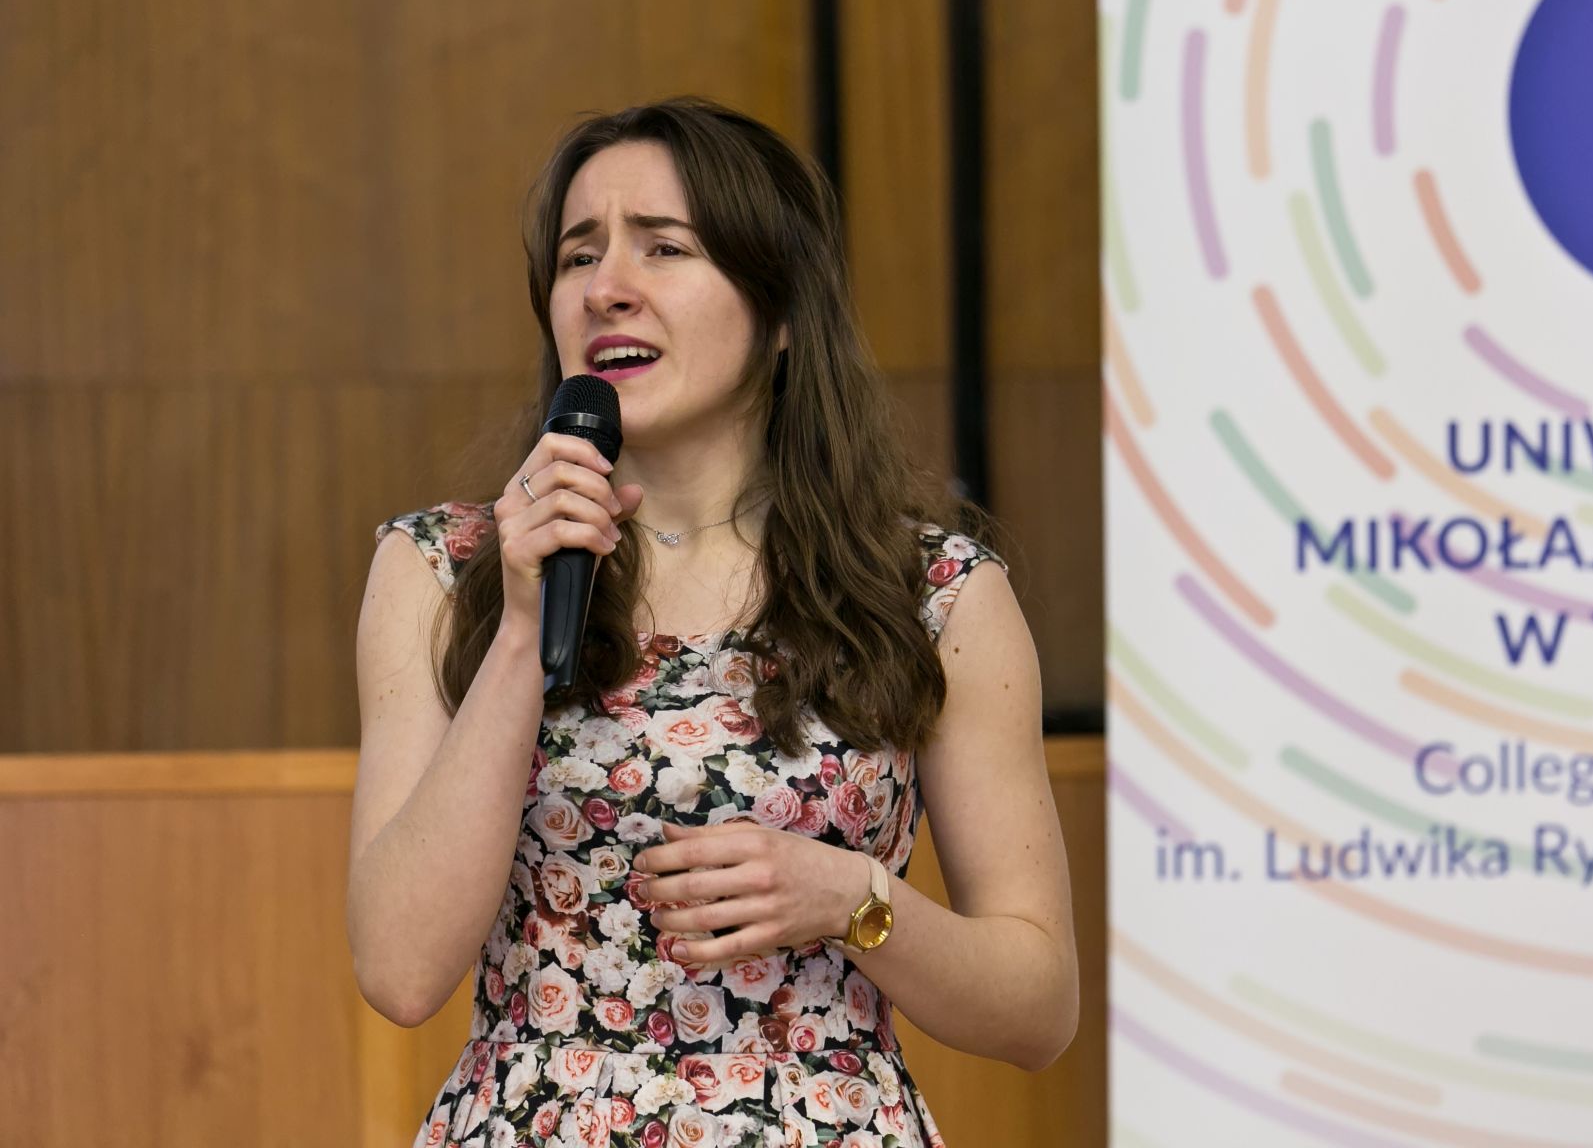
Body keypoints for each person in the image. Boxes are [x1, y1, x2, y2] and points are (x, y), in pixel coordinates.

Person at [347, 96, 1078, 1148]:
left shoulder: (931, 590)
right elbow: (400, 969)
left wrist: (856, 901)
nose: (607, 288)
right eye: (579, 254)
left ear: (780, 311)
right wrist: (518, 628)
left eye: (665, 247)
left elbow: (1038, 1008)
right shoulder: (446, 568)